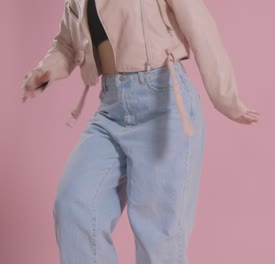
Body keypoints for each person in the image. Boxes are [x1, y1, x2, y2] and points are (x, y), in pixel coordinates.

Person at [20, 0, 260, 263]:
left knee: (157, 239)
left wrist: (225, 96)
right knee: (74, 205)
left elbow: (200, 25)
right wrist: (44, 71)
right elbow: (66, 43)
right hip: (111, 106)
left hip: (164, 102)